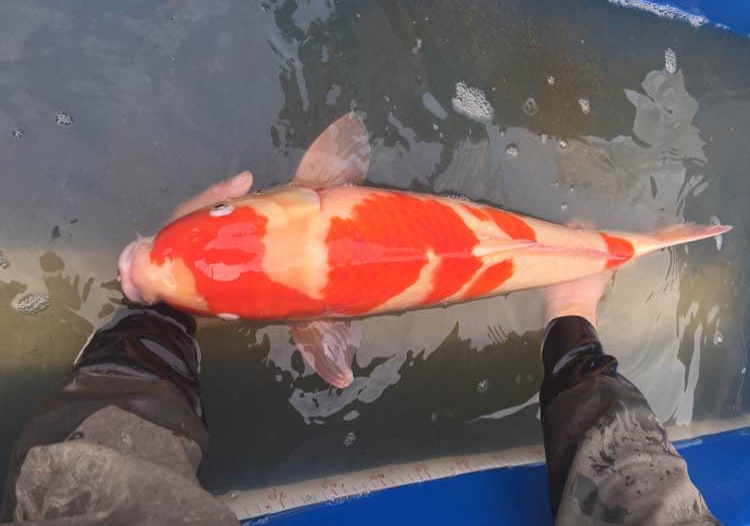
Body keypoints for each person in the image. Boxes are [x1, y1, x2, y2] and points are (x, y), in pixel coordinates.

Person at [0, 174, 719, 525]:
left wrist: (166, 307)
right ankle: (581, 300)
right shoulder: (317, 188)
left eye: (223, 214)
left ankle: (584, 296)